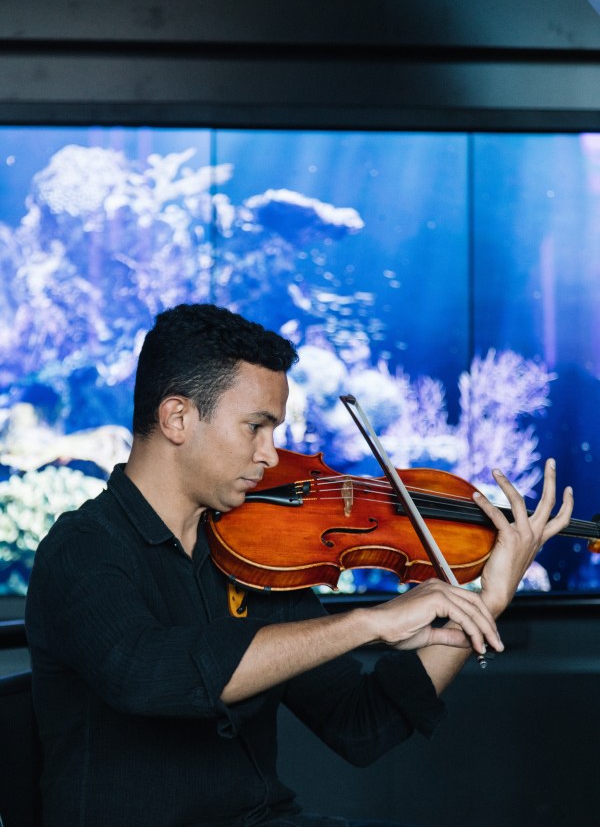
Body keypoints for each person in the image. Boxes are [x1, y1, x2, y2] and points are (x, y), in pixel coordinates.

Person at [25, 303, 574, 827]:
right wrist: (368, 622)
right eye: (255, 427)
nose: (270, 454)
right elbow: (149, 675)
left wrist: (484, 602)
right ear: (177, 418)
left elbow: (363, 725)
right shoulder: (82, 548)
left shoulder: (254, 551)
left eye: (275, 432)